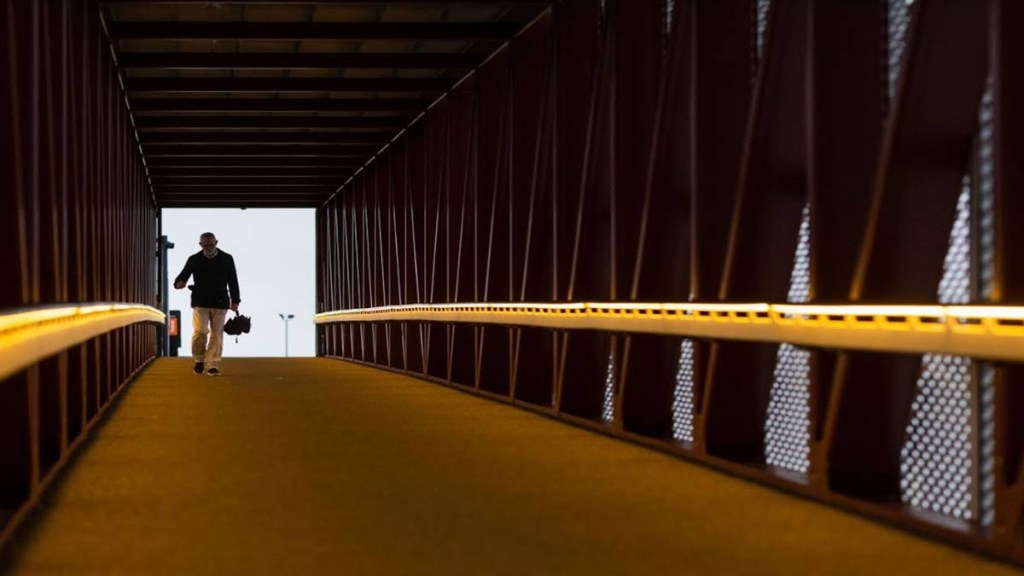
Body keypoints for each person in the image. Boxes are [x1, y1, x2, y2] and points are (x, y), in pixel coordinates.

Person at [174, 232, 241, 376]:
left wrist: (235, 301)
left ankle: (213, 364)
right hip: (200, 302)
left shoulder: (226, 259)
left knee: (217, 335)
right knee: (200, 331)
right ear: (200, 245)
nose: (209, 248)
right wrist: (179, 283)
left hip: (220, 302)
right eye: (205, 246)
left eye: (211, 245)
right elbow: (183, 276)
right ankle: (199, 359)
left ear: (216, 243)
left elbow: (233, 280)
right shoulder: (194, 259)